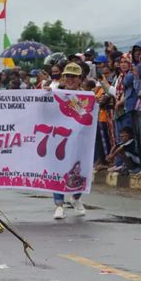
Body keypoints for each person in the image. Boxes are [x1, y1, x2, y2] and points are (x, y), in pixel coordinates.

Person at [48, 62, 86, 219]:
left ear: (80, 79)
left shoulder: (87, 96)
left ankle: (76, 198)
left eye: (73, 76)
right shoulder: (55, 94)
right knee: (58, 170)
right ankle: (59, 206)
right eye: (67, 76)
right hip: (60, 140)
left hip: (80, 140)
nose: (70, 79)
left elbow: (86, 114)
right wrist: (45, 94)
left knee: (81, 171)